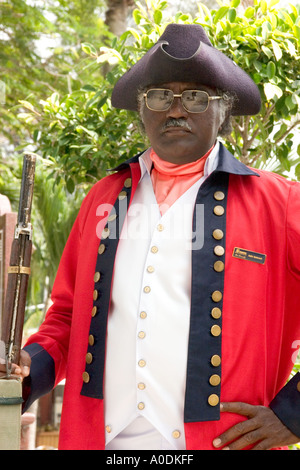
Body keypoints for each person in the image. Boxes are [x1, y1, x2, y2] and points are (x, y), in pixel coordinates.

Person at [1, 23, 300, 450]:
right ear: (142, 110)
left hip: (219, 442)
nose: (175, 110)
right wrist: (32, 364)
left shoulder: (281, 202)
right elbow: (68, 317)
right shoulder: (103, 198)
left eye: (195, 96)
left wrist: (293, 415)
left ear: (224, 110)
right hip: (102, 441)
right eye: (160, 95)